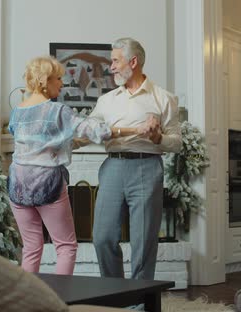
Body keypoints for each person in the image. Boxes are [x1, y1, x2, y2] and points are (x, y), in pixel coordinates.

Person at [8, 56, 144, 275]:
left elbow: (32, 141)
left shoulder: (16, 112)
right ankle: (61, 303)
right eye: (58, 78)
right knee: (66, 246)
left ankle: (27, 301)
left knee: (31, 248)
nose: (62, 84)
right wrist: (135, 130)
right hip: (47, 184)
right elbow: (94, 129)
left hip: (17, 186)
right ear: (45, 80)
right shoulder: (56, 111)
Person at [91, 38, 182, 281]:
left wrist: (158, 137)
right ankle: (114, 295)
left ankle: (140, 304)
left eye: (115, 61)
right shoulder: (106, 100)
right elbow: (89, 130)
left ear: (133, 61)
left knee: (143, 242)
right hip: (112, 167)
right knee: (102, 237)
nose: (111, 66)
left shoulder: (163, 98)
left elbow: (177, 142)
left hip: (146, 166)